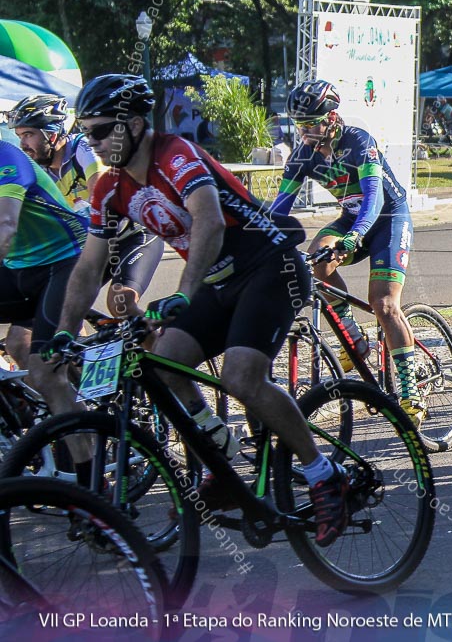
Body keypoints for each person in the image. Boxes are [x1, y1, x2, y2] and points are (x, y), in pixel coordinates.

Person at [44, 74, 351, 546]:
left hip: (270, 267)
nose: (94, 141)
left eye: (103, 130)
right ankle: (221, 462)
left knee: (241, 377)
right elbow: (88, 266)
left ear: (135, 124)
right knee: (165, 364)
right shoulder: (108, 188)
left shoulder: (176, 155)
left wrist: (184, 292)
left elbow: (207, 220)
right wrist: (64, 332)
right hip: (217, 281)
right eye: (87, 132)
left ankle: (324, 473)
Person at [272, 80, 424, 425]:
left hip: (387, 219)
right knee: (317, 261)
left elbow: (375, 196)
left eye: (311, 124)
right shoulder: (303, 156)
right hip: (351, 218)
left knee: (384, 304)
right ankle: (354, 338)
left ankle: (410, 389)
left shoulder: (357, 140)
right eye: (300, 125)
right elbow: (279, 210)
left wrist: (356, 235)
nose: (306, 133)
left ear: (332, 116)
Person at [9, 94, 163, 318]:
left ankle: (164, 346)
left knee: (121, 303)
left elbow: (103, 193)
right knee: (59, 312)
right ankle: (78, 350)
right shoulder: (38, 169)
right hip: (93, 245)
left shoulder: (82, 147)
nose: (23, 144)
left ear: (53, 133)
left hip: (131, 236)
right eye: (19, 136)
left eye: (29, 134)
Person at [0, 132, 87, 435]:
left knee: (45, 370)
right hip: (20, 267)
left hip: (65, 259)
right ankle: (29, 413)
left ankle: (87, 473)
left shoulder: (6, 157)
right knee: (16, 345)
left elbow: (6, 227)